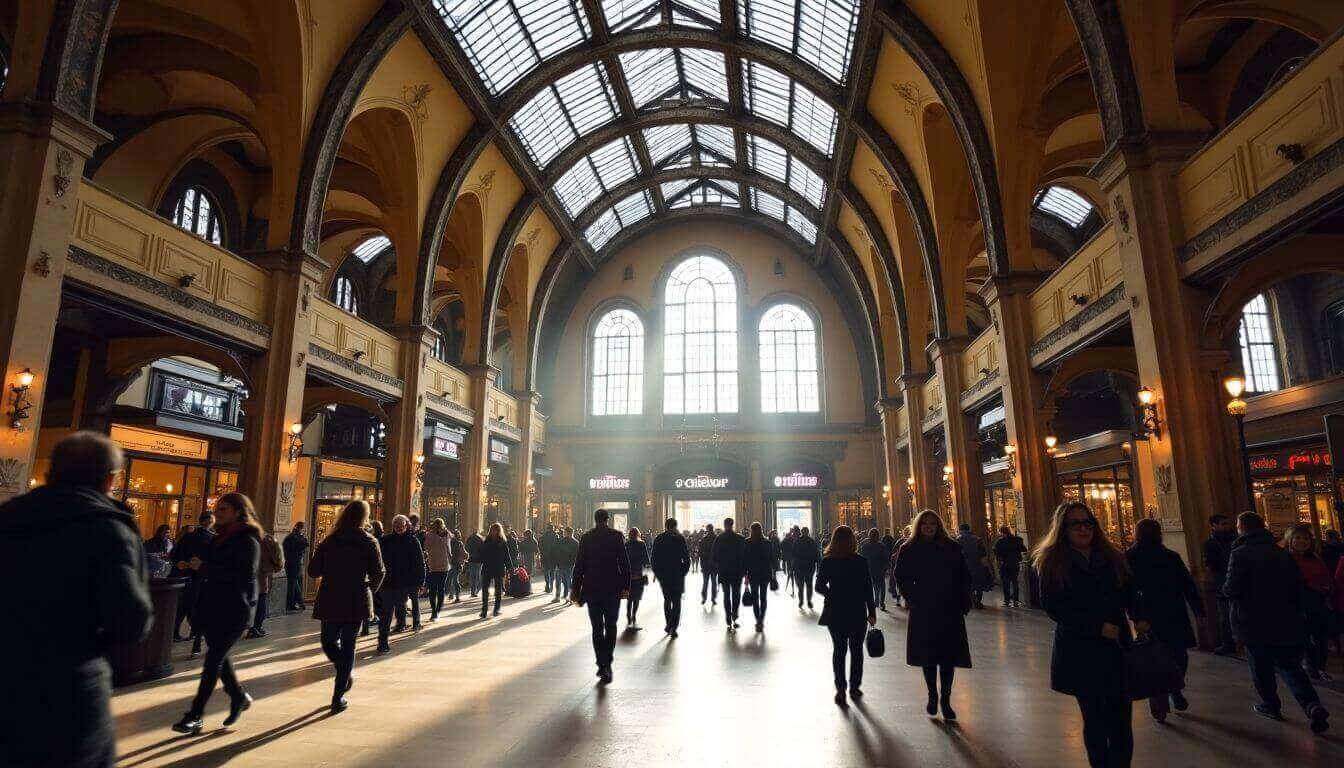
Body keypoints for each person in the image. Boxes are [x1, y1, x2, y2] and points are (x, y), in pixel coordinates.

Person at [0, 431, 152, 767]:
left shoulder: (7, 517)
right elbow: (131, 621)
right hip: (70, 687)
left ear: (50, 473)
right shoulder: (108, 529)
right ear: (110, 480)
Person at [1035, 502, 1149, 767]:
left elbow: (1129, 592)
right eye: (1076, 524)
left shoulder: (1112, 556)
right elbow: (1054, 606)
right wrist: (1096, 627)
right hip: (1080, 650)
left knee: (1122, 719)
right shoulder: (1053, 561)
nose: (1083, 529)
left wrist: (1140, 617)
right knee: (1095, 718)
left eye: (1088, 523)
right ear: (1063, 529)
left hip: (1116, 648)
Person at [1224, 512, 1329, 733]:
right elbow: (1298, 586)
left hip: (1253, 621)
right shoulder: (1280, 553)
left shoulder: (1239, 553)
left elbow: (1232, 588)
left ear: (1242, 528)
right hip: (1285, 619)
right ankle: (1311, 705)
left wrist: (1226, 591)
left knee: (1260, 667)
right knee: (1290, 665)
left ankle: (1270, 705)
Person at [171, 493, 262, 734]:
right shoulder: (217, 540)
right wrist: (192, 566)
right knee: (219, 657)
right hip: (211, 606)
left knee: (213, 660)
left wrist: (205, 567)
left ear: (238, 512)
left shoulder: (248, 541)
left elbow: (243, 576)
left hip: (236, 609)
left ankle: (195, 714)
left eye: (223, 510)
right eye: (217, 509)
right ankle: (238, 696)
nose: (217, 513)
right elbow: (208, 569)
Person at [308, 500, 384, 713]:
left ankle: (343, 673)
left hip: (331, 596)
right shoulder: (369, 541)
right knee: (349, 645)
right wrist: (370, 589)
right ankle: (338, 694)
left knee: (328, 641)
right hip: (356, 598)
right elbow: (379, 571)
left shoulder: (330, 540)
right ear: (364, 517)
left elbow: (313, 570)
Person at [895, 510, 972, 721]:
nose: (929, 528)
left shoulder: (952, 547)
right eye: (925, 524)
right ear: (918, 526)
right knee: (927, 656)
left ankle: (945, 699)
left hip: (949, 607)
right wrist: (912, 597)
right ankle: (932, 694)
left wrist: (964, 600)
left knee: (948, 657)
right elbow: (900, 576)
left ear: (938, 526)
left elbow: (963, 576)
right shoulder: (909, 549)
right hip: (924, 608)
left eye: (932, 524)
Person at [1125, 518, 1204, 723]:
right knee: (1179, 655)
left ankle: (1160, 699)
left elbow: (1125, 590)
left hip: (1148, 616)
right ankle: (1174, 689)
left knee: (1153, 658)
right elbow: (1188, 585)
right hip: (1174, 612)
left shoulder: (1129, 558)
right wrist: (1199, 611)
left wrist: (1135, 616)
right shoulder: (1170, 556)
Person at [815, 525, 878, 707]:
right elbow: (868, 589)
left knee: (839, 650)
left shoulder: (828, 561)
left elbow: (819, 586)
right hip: (857, 610)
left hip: (835, 611)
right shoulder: (860, 561)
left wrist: (832, 594)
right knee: (856, 650)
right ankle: (855, 686)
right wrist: (872, 612)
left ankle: (840, 689)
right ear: (852, 540)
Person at [571, 509, 632, 684]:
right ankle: (607, 662)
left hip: (592, 589)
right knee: (611, 626)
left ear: (594, 519)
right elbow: (624, 562)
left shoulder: (586, 538)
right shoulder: (616, 536)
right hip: (612, 588)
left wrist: (575, 589)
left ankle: (601, 663)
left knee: (597, 627)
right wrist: (626, 586)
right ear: (608, 519)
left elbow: (579, 565)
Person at [1284, 524, 1333, 681]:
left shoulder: (1315, 558)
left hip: (1317, 602)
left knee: (1320, 637)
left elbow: (1326, 577)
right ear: (1290, 540)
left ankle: (1319, 667)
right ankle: (1310, 667)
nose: (1302, 541)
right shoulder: (1285, 559)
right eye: (1297, 538)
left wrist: (1325, 589)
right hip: (1297, 604)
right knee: (1304, 638)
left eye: (1305, 538)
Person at [375, 514, 425, 652]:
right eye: (396, 526)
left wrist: (420, 581)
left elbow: (419, 563)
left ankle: (399, 625)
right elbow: (378, 561)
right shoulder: (385, 540)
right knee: (386, 614)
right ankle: (383, 642)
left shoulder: (412, 541)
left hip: (403, 584)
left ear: (406, 526)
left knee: (398, 608)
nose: (398, 528)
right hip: (387, 583)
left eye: (401, 525)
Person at [173, 511, 215, 646]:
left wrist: (180, 563)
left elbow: (174, 554)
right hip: (200, 577)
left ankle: (176, 632)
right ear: (210, 521)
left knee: (183, 606)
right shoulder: (211, 539)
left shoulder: (187, 536)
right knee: (196, 606)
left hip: (183, 576)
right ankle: (196, 633)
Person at [1204, 513, 1238, 655]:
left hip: (1236, 580)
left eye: (1227, 523)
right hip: (1221, 582)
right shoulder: (1210, 543)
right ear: (1214, 526)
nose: (1227, 527)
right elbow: (1210, 564)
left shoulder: (1235, 539)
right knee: (1225, 615)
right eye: (1223, 524)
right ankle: (1228, 643)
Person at [651, 518, 691, 636]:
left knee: (667, 600)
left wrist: (658, 573)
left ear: (665, 526)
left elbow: (653, 558)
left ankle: (668, 623)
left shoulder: (659, 538)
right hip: (677, 574)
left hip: (664, 575)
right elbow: (686, 557)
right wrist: (683, 571)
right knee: (677, 601)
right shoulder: (680, 539)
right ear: (675, 526)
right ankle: (674, 626)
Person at [247, 528, 284, 638]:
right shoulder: (267, 539)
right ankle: (256, 627)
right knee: (261, 599)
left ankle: (251, 626)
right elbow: (277, 555)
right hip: (261, 573)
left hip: (246, 575)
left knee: (251, 600)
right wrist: (277, 567)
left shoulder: (242, 538)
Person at [713, 518, 748, 631]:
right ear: (733, 525)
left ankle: (728, 617)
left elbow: (714, 556)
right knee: (736, 594)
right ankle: (734, 614)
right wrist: (745, 571)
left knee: (726, 595)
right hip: (737, 572)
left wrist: (718, 567)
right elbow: (745, 556)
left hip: (724, 572)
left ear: (724, 525)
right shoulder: (740, 539)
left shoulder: (719, 539)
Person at [473, 523, 513, 619]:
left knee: (498, 590)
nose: (494, 532)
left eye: (496, 530)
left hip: (498, 568)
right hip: (487, 567)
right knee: (485, 590)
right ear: (490, 531)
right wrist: (473, 559)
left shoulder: (502, 542)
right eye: (492, 530)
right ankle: (484, 610)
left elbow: (506, 556)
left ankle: (496, 609)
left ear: (499, 531)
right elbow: (481, 554)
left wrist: (510, 567)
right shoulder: (486, 541)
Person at [744, 521, 775, 632]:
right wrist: (773, 572)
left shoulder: (747, 542)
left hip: (752, 573)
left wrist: (745, 575)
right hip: (765, 573)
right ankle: (761, 619)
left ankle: (758, 619)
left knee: (755, 597)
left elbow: (744, 560)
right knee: (763, 597)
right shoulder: (767, 543)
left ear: (751, 530)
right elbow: (772, 559)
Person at [423, 518, 452, 621]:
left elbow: (425, 547)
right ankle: (435, 611)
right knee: (437, 589)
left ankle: (436, 611)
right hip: (437, 566)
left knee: (436, 589)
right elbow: (426, 547)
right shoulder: (433, 535)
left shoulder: (433, 535)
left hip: (438, 565)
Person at [955, 522, 989, 609]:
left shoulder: (957, 540)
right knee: (978, 584)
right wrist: (985, 566)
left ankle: (973, 601)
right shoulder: (977, 539)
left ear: (960, 530)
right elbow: (983, 554)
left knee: (969, 585)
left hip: (963, 567)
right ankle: (978, 601)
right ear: (969, 529)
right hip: (977, 565)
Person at [993, 526, 1027, 607]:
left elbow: (996, 552)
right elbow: (1024, 550)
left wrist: (998, 561)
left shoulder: (1000, 541)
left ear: (1002, 532)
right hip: (1015, 563)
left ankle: (1007, 601)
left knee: (1006, 583)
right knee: (1015, 582)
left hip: (1004, 564)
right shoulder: (1018, 539)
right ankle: (1015, 601)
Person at [625, 527, 651, 629]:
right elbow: (646, 560)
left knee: (629, 598)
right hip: (638, 575)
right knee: (636, 598)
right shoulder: (641, 544)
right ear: (638, 534)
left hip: (628, 575)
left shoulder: (626, 544)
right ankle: (634, 616)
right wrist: (647, 565)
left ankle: (628, 617)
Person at [282, 522, 310, 611]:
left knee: (293, 583)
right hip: (295, 563)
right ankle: (296, 603)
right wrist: (303, 536)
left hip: (289, 563)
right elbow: (306, 543)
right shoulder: (298, 537)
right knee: (294, 584)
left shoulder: (289, 537)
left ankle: (294, 603)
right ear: (301, 529)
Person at [859, 528, 889, 611]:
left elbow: (862, 558)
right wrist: (886, 568)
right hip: (880, 568)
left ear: (869, 535)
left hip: (870, 568)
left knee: (874, 585)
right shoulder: (881, 546)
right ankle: (881, 602)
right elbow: (885, 558)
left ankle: (876, 600)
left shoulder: (865, 546)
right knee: (882, 585)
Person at [794, 526, 821, 609]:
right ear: (808, 532)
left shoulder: (797, 541)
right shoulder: (812, 541)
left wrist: (793, 566)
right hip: (809, 566)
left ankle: (801, 601)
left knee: (800, 585)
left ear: (801, 532)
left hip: (800, 567)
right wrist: (818, 565)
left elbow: (793, 554)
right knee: (809, 584)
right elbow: (817, 554)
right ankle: (808, 601)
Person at [555, 526, 579, 601]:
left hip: (561, 564)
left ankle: (557, 597)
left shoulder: (561, 541)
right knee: (569, 580)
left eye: (564, 532)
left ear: (566, 533)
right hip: (571, 564)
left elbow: (557, 553)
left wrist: (557, 563)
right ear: (572, 533)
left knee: (559, 580)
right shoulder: (576, 543)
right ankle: (571, 596)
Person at [698, 524, 719, 605]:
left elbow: (700, 553)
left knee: (705, 582)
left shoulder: (704, 539)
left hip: (706, 564)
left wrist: (701, 565)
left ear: (707, 529)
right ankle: (713, 598)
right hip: (714, 565)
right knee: (714, 582)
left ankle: (704, 598)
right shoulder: (717, 538)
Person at [448, 527, 467, 604]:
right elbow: (464, 553)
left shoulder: (450, 542)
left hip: (451, 563)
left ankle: (453, 594)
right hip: (457, 563)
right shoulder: (459, 543)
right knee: (455, 579)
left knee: (453, 579)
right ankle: (456, 595)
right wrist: (466, 556)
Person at [540, 523, 560, 592]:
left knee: (546, 571)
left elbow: (540, 547)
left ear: (547, 529)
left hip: (545, 557)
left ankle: (547, 585)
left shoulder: (543, 537)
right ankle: (551, 586)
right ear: (553, 529)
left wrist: (542, 554)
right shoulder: (556, 536)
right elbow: (559, 548)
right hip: (554, 557)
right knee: (552, 572)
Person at [465, 528, 484, 597]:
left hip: (471, 560)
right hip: (479, 560)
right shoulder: (480, 539)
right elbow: (483, 549)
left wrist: (468, 556)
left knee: (472, 575)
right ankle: (476, 590)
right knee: (477, 575)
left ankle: (473, 591)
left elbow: (466, 548)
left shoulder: (469, 539)